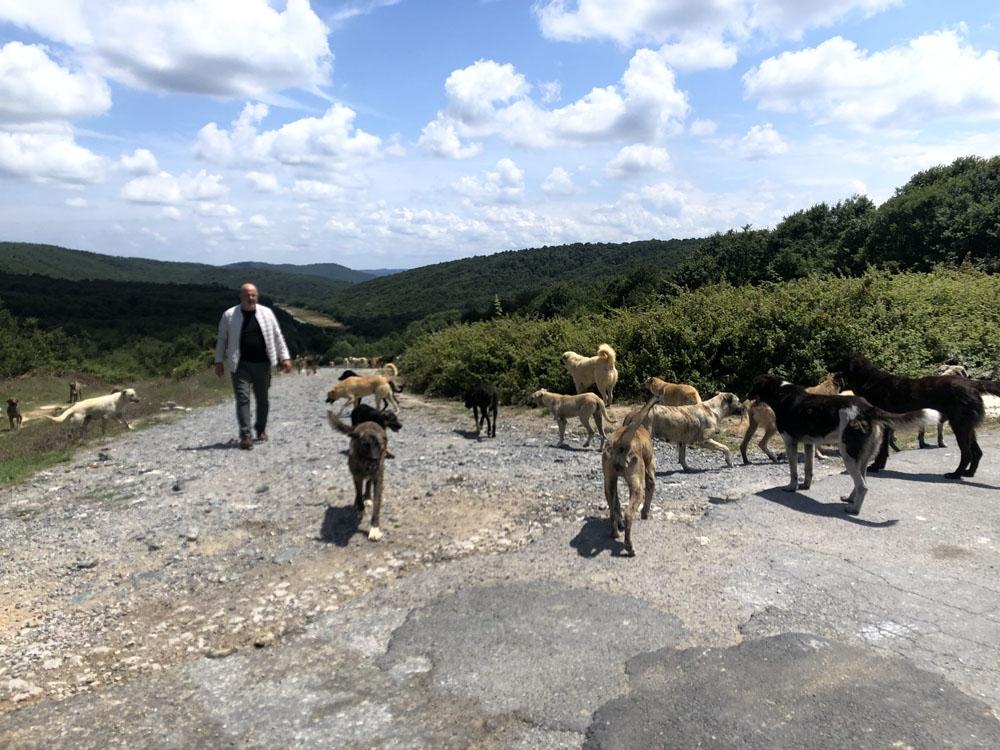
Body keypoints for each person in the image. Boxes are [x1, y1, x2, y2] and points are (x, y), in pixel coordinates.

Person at [214, 282, 292, 450]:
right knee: (243, 398)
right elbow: (222, 339)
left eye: (253, 295)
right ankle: (246, 435)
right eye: (247, 295)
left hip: (263, 363)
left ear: (257, 296)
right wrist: (218, 361)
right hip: (240, 364)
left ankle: (261, 429)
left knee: (262, 399)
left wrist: (284, 356)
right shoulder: (229, 315)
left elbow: (278, 336)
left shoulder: (267, 313)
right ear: (241, 297)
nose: (250, 298)